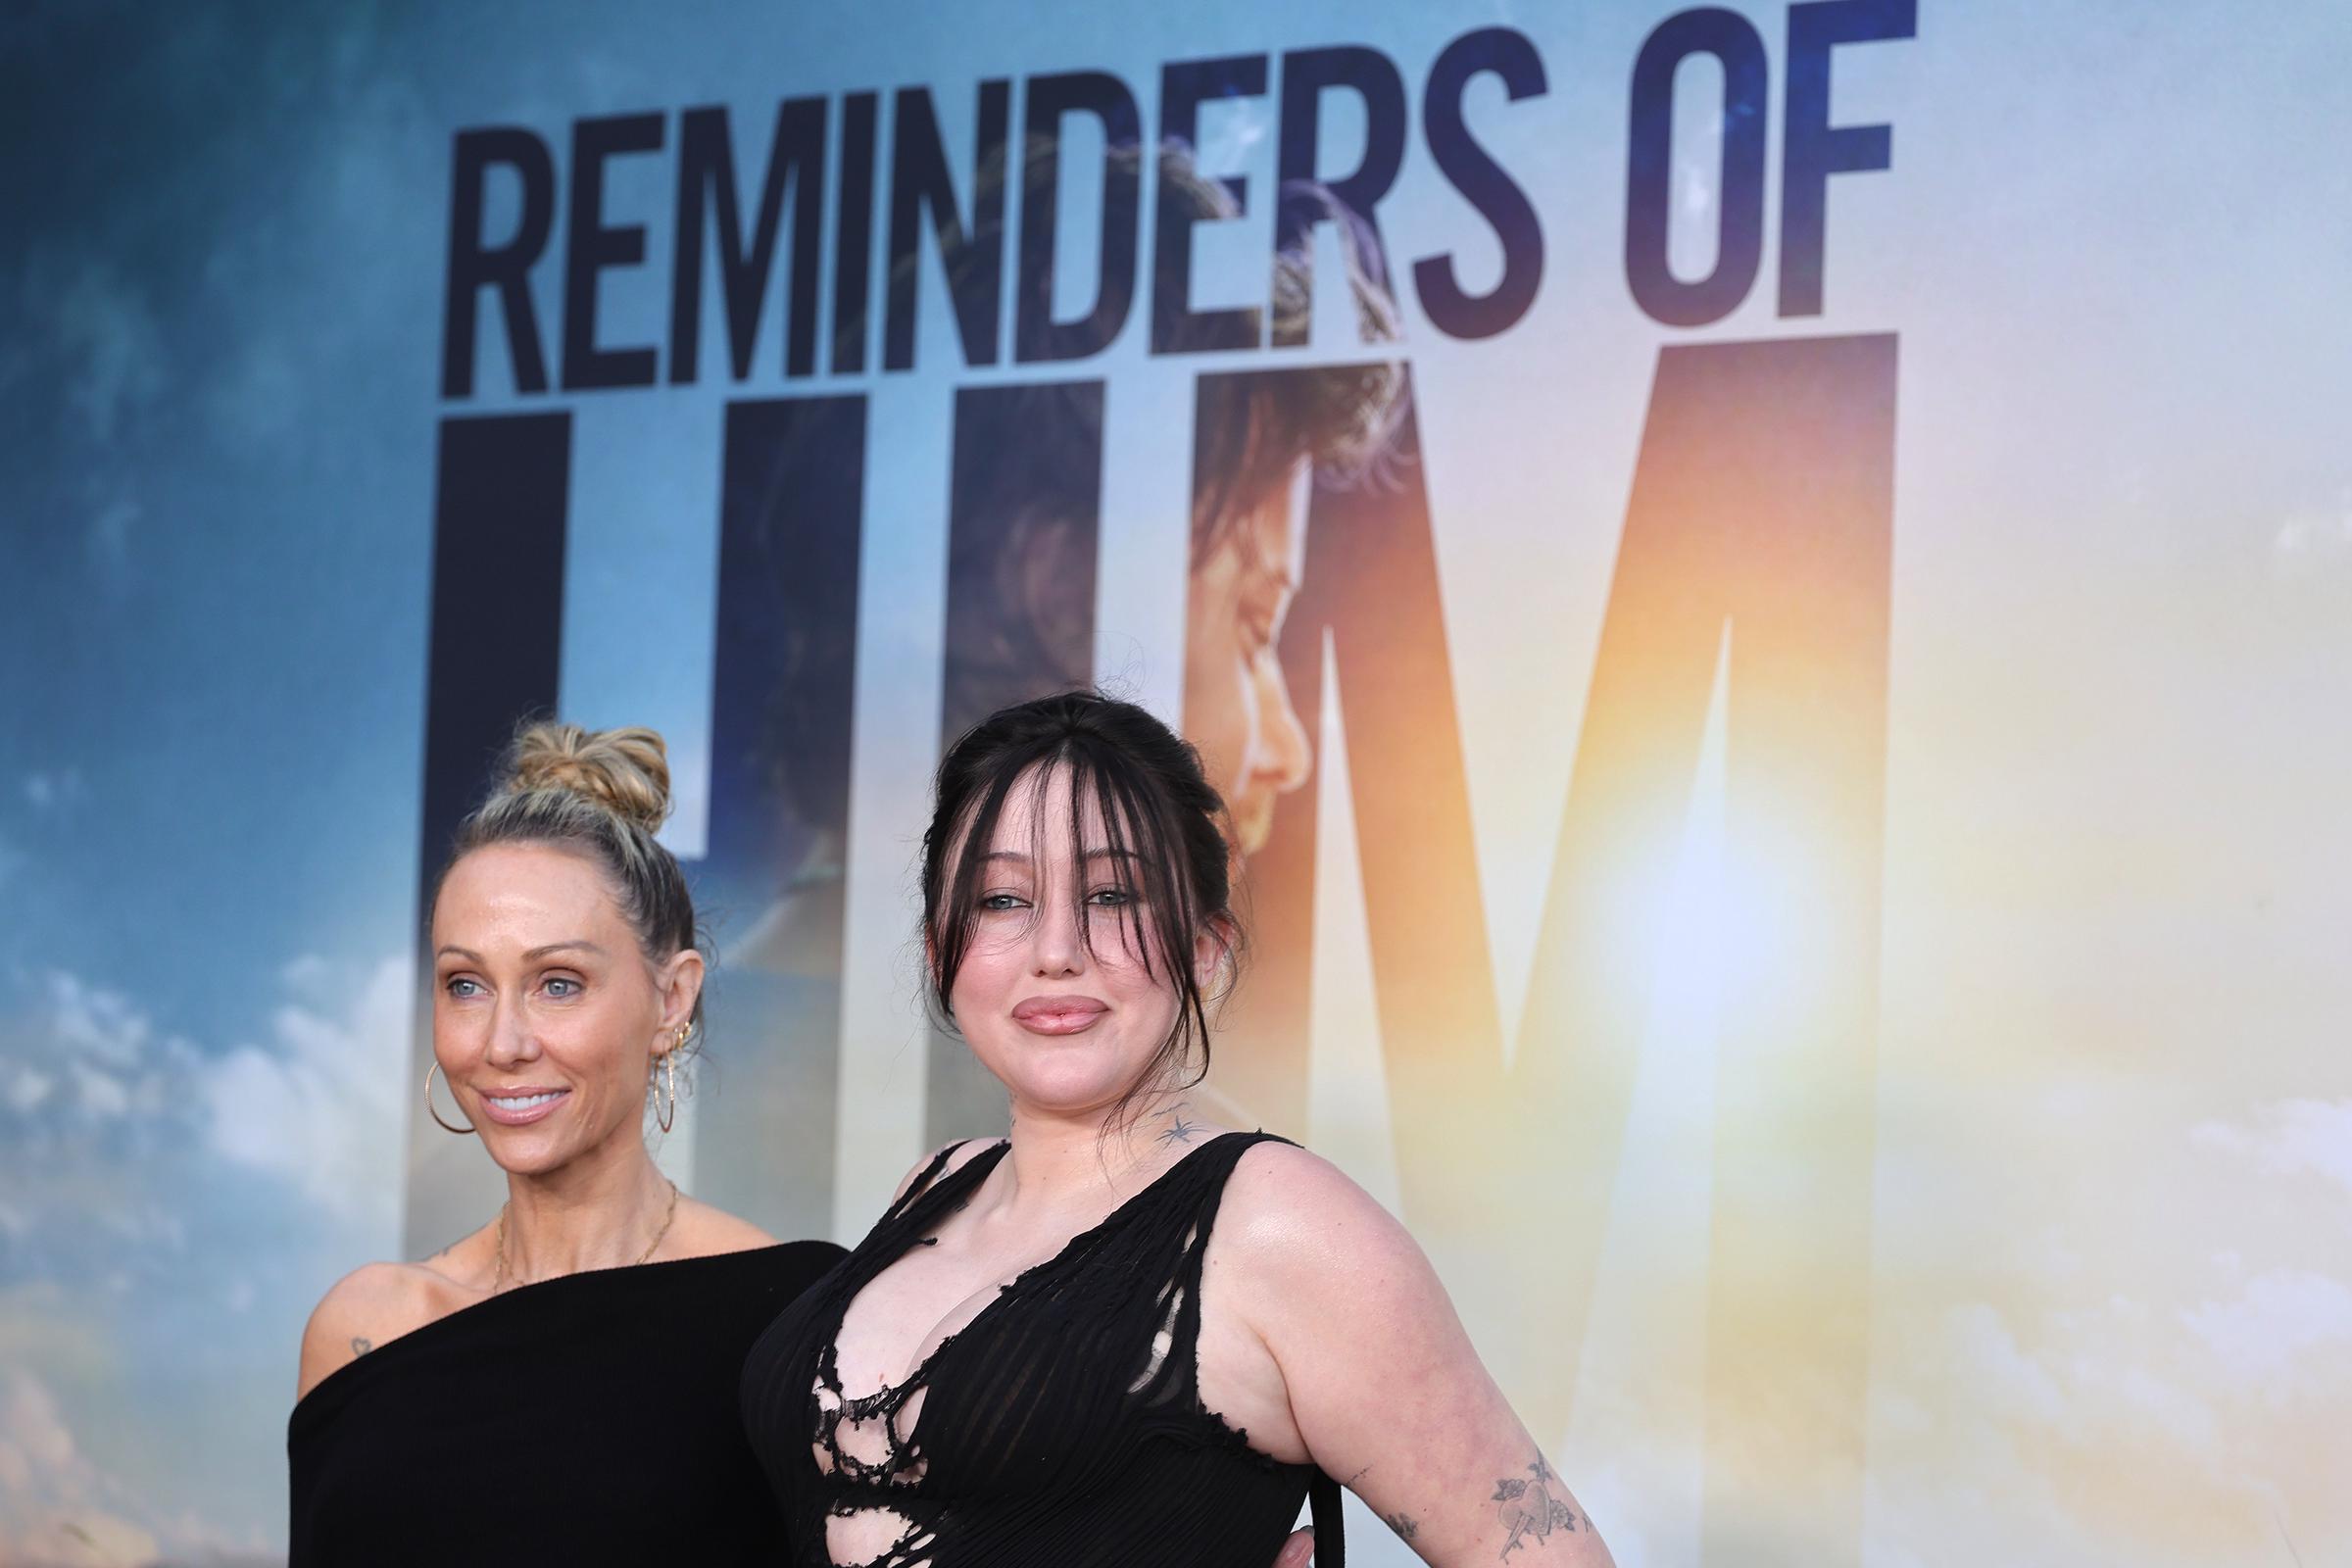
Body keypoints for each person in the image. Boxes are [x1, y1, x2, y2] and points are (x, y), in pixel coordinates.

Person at [741, 692, 1612, 1567]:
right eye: (1003, 898)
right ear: (941, 949)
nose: (1056, 950)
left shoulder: (1282, 1226)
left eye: (1111, 893)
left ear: (1203, 947)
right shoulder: (936, 1183)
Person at [286, 723, 844, 1565]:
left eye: (558, 983)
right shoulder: (362, 1330)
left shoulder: (797, 1321)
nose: (502, 1043)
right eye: (466, 985)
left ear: (672, 1000)